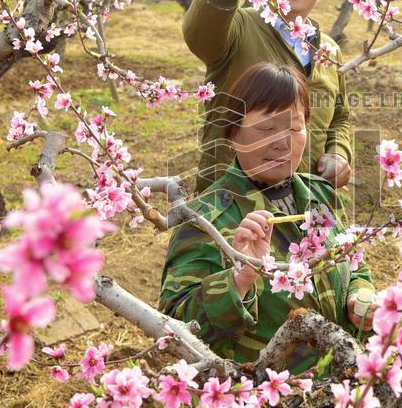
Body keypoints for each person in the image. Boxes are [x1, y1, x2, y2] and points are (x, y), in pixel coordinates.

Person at [159, 63, 375, 370]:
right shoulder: (206, 220)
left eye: (294, 128)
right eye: (266, 128)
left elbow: (355, 267)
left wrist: (360, 296)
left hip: (340, 391)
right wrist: (237, 282)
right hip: (263, 404)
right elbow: (175, 329)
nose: (281, 142)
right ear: (234, 133)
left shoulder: (321, 197)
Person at [182, 0, 353, 195]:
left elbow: (340, 117)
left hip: (305, 207)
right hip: (233, 208)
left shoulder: (329, 50)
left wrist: (339, 153)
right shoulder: (238, 28)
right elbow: (199, 34)